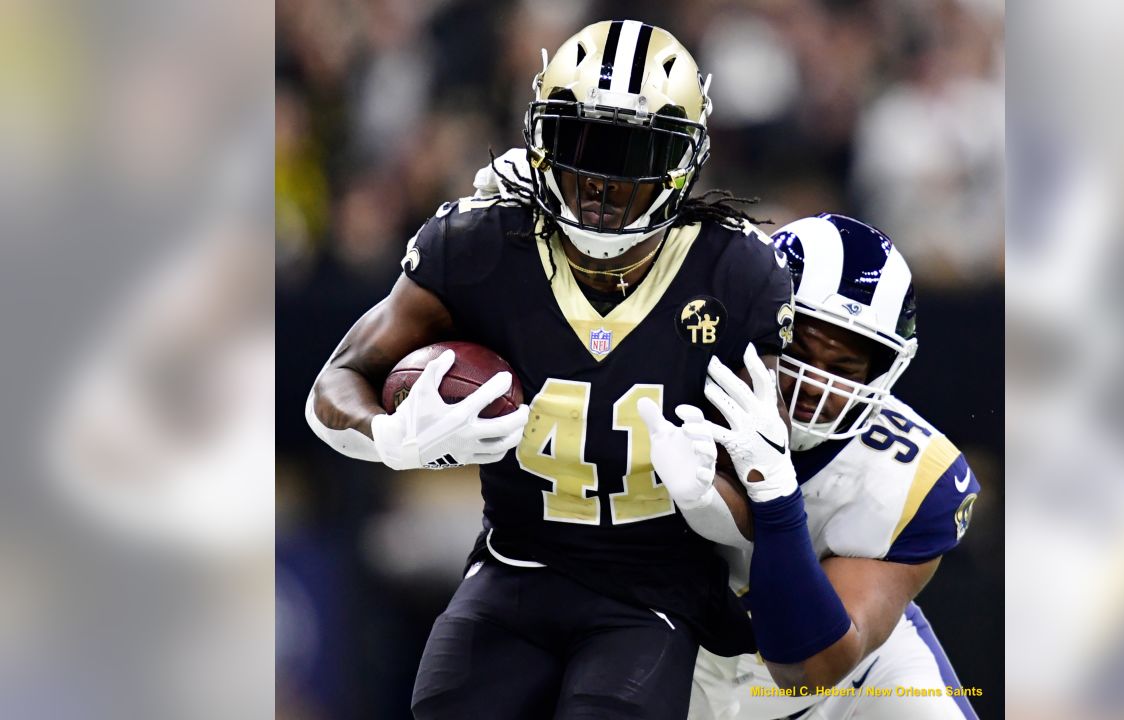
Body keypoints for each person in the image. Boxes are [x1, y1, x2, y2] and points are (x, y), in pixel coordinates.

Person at [303, 20, 794, 719]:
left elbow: (772, 499)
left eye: (629, 152)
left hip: (656, 589)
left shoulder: (736, 272)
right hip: (516, 565)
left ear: (685, 159)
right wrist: (390, 436)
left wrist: (712, 500)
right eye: (578, 143)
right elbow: (335, 382)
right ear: (536, 134)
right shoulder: (480, 242)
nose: (597, 181)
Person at [641, 213, 981, 719]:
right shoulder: (668, 387)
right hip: (672, 660)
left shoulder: (914, 477)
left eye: (843, 369)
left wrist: (775, 495)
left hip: (845, 685)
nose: (815, 384)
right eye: (797, 351)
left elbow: (812, 667)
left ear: (883, 371)